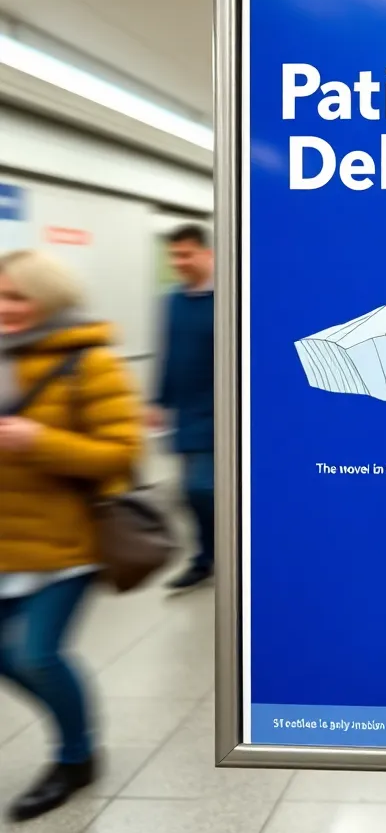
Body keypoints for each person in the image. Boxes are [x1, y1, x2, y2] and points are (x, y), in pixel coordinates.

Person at [0, 249, 140, 820]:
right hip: (5, 539)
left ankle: (76, 756)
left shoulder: (90, 362)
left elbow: (124, 453)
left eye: (16, 296)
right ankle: (76, 737)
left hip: (66, 546)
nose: (4, 307)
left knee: (36, 654)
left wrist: (41, 442)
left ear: (48, 299)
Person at [149, 224, 215, 592]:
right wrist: (159, 400)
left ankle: (216, 553)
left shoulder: (231, 297)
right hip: (188, 411)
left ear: (208, 254)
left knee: (201, 487)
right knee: (192, 492)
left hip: (223, 413)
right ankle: (209, 555)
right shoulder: (172, 300)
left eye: (186, 254)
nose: (179, 262)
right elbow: (170, 353)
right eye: (174, 255)